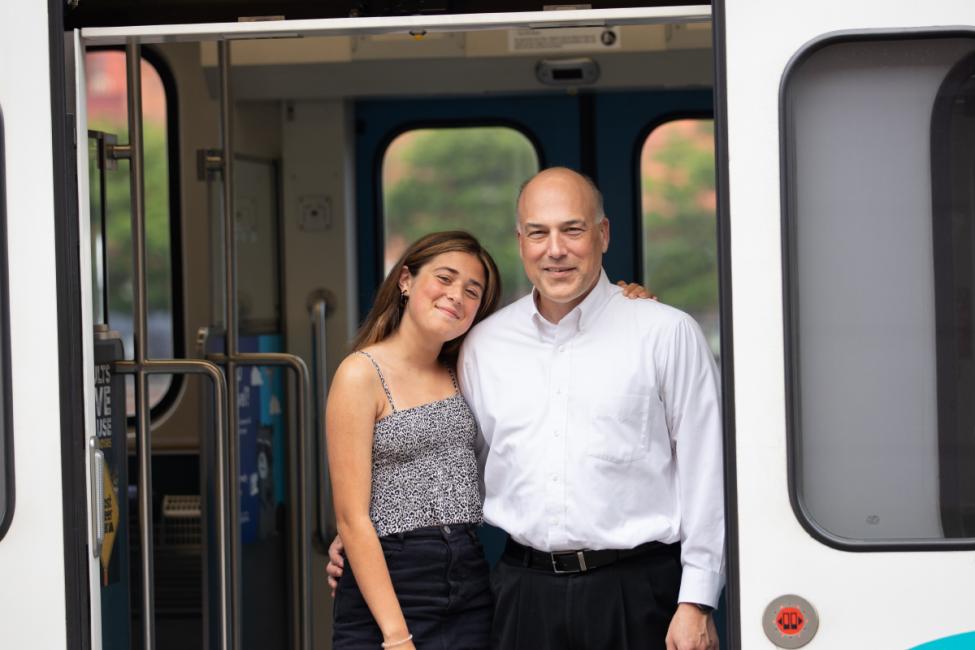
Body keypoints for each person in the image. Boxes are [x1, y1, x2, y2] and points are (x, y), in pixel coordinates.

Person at [330, 167, 722, 650]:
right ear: (521, 242)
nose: (554, 249)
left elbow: (708, 473)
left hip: (638, 592)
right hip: (520, 595)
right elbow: (452, 463)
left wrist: (697, 601)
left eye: (572, 229)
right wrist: (368, 531)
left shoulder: (665, 332)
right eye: (538, 232)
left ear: (603, 234)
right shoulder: (482, 344)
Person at [326, 231, 502, 650]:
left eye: (471, 291)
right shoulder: (360, 373)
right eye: (445, 278)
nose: (456, 295)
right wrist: (396, 636)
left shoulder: (465, 367)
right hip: (391, 584)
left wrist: (627, 299)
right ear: (405, 280)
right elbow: (352, 519)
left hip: (469, 579)